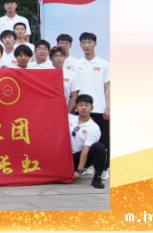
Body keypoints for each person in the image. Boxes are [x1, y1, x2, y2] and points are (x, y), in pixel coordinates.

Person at [71, 32, 110, 180]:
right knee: (80, 138)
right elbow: (74, 89)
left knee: (103, 140)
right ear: (80, 45)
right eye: (83, 42)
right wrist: (74, 107)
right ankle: (86, 167)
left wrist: (108, 107)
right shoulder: (76, 64)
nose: (86, 45)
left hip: (99, 108)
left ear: (95, 43)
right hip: (81, 108)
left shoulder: (104, 64)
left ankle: (103, 168)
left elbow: (107, 86)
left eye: (89, 42)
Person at [70, 95, 107, 189]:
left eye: (86, 105)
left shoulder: (94, 128)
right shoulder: (69, 118)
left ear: (92, 108)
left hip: (78, 157)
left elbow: (85, 149)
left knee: (99, 147)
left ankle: (97, 178)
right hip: (64, 157)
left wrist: (79, 170)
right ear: (76, 107)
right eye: (80, 105)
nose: (83, 108)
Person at [51, 47, 80, 111]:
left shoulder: (72, 75)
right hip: (49, 109)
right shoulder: (45, 73)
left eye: (61, 56)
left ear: (64, 58)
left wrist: (68, 112)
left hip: (64, 109)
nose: (58, 58)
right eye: (56, 56)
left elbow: (74, 96)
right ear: (51, 58)